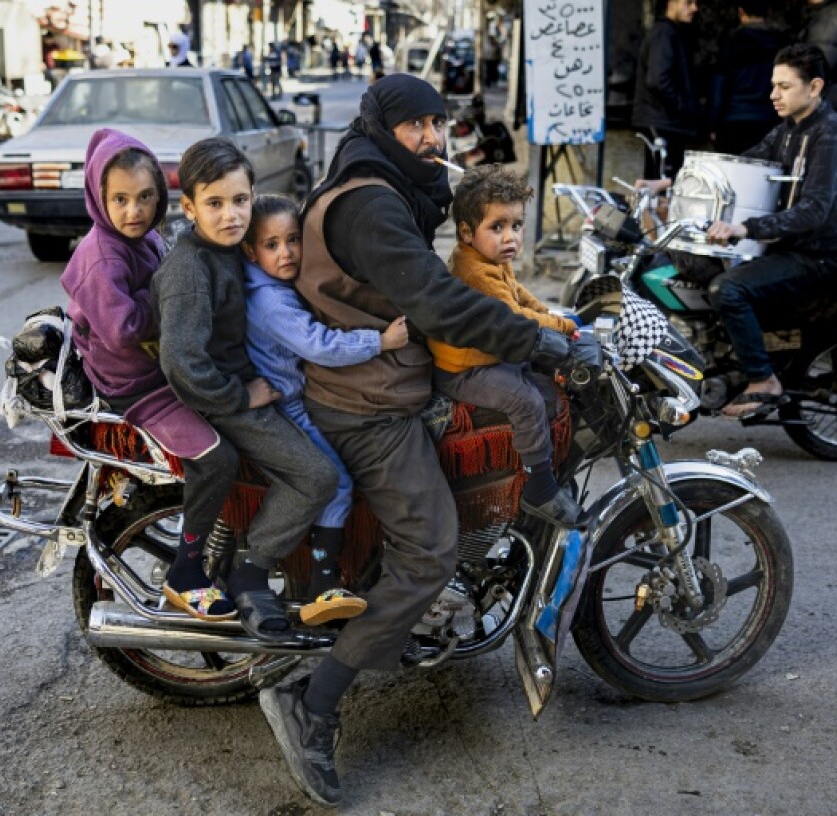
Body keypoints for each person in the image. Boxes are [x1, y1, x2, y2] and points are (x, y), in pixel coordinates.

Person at [257, 73, 585, 806]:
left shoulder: (379, 179)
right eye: (417, 127)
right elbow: (438, 302)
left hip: (388, 381)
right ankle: (312, 700)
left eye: (440, 123)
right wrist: (542, 345)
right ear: (383, 127)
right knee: (432, 548)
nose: (434, 139)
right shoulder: (372, 205)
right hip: (368, 405)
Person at [152, 137, 339, 641]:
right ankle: (253, 572)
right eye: (214, 204)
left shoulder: (229, 249)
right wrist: (240, 397)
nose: (232, 215)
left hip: (251, 384)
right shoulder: (190, 269)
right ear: (188, 207)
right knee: (318, 477)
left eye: (241, 200)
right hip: (223, 399)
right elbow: (183, 361)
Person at [60, 129, 237, 620]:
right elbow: (121, 329)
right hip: (137, 386)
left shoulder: (146, 238)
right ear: (98, 198)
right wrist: (172, 296)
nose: (133, 211)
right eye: (119, 199)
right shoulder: (101, 255)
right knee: (218, 459)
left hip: (162, 363)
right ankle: (187, 571)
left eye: (144, 197)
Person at [242, 194, 410, 624]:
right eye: (272, 244)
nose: (287, 253)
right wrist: (382, 342)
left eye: (293, 240)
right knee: (334, 482)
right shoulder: (272, 303)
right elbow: (319, 345)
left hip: (290, 398)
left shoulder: (269, 286)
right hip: (284, 408)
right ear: (251, 250)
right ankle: (321, 583)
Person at [702, 43, 837, 418]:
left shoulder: (833, 134)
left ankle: (763, 378)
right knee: (694, 263)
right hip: (788, 245)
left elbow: (814, 212)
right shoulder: (788, 130)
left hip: (817, 255)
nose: (773, 95)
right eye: (773, 85)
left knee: (727, 289)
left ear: (815, 86)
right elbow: (742, 165)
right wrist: (672, 185)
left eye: (784, 86)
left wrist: (745, 228)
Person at [428, 165, 582, 526]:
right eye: (496, 227)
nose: (510, 236)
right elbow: (515, 317)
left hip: (487, 355)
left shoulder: (492, 259)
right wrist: (563, 325)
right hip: (463, 369)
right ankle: (539, 487)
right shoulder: (476, 272)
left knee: (545, 382)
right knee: (525, 401)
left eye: (516, 225)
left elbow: (523, 297)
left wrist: (553, 314)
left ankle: (542, 462)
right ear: (466, 232)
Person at [709, 0, 789, 155]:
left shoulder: (731, 42)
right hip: (769, 120)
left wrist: (713, 123)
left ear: (741, 11)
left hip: (733, 120)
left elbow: (718, 87)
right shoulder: (780, 44)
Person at [631, 0, 701, 178]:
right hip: (663, 123)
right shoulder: (664, 33)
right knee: (661, 188)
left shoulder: (671, 33)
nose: (694, 8)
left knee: (661, 186)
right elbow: (658, 80)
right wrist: (684, 107)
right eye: (688, 2)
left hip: (665, 122)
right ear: (671, 3)